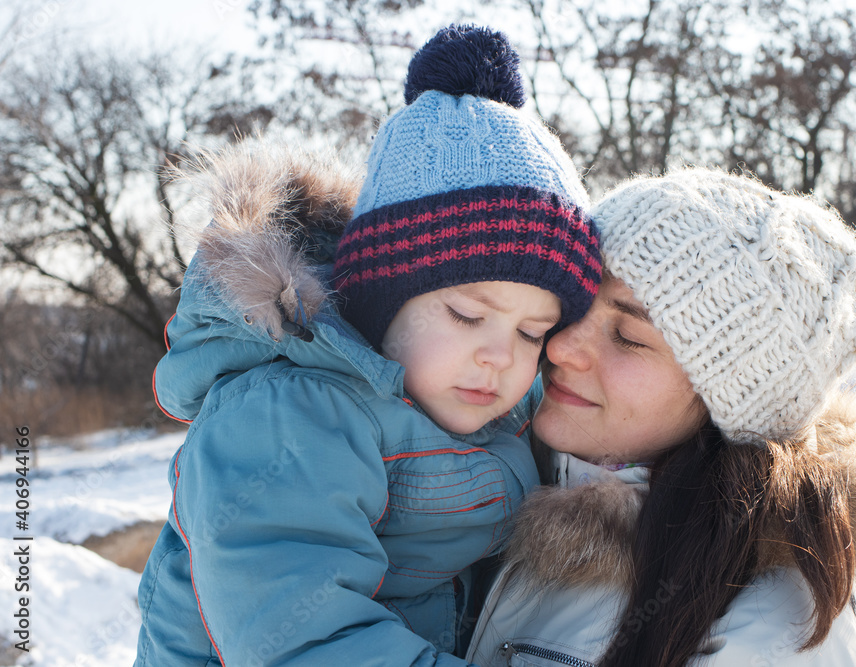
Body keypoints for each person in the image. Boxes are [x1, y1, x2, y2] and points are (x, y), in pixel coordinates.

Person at [134, 25, 601, 666]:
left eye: (531, 333)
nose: (502, 355)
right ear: (382, 304)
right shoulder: (287, 415)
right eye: (467, 315)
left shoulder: (488, 406)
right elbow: (307, 641)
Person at [466, 168, 856, 667]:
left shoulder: (763, 634)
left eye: (627, 336)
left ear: (728, 404)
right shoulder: (468, 456)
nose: (559, 346)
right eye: (574, 305)